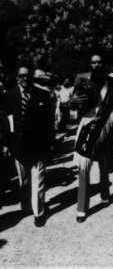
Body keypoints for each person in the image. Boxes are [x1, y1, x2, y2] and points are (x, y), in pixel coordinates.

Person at [1, 66, 55, 227]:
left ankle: (39, 213)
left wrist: (50, 143)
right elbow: (5, 122)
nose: (25, 79)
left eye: (27, 76)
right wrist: (5, 143)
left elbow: (49, 123)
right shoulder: (9, 96)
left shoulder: (43, 95)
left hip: (39, 146)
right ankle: (26, 206)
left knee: (38, 180)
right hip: (18, 146)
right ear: (17, 77)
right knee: (23, 181)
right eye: (21, 76)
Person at [71, 54, 113, 223]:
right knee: (83, 168)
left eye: (100, 61)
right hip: (86, 126)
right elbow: (73, 104)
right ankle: (82, 208)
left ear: (104, 64)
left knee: (104, 165)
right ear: (90, 64)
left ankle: (105, 194)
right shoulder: (81, 79)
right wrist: (72, 101)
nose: (97, 64)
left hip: (105, 128)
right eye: (93, 62)